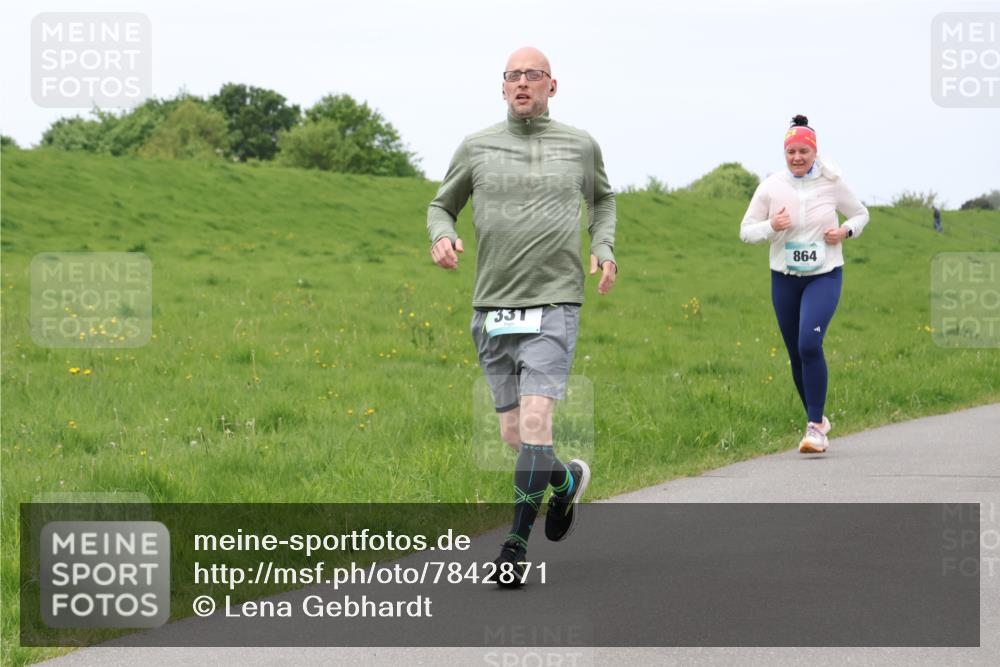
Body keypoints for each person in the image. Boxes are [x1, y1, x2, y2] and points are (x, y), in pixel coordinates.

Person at [426, 46, 618, 586]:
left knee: (536, 425)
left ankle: (514, 548)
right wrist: (441, 236)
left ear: (552, 86)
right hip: (493, 306)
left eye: (533, 75)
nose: (522, 83)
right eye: (513, 75)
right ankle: (564, 481)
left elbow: (603, 201)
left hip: (554, 303)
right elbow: (441, 206)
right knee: (516, 435)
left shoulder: (579, 145)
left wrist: (603, 247)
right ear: (503, 86)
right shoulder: (476, 146)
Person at [739, 115, 869, 454]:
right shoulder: (771, 186)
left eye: (803, 151)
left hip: (824, 275)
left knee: (809, 343)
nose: (797, 157)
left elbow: (860, 214)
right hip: (784, 279)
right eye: (791, 152)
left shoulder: (832, 182)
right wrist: (772, 225)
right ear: (785, 153)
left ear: (814, 152)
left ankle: (814, 428)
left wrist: (845, 231)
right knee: (796, 353)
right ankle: (818, 419)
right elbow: (745, 231)